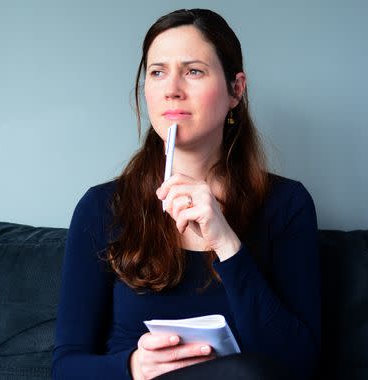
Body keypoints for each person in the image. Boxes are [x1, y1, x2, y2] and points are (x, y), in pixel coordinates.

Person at [52, 8, 320, 380]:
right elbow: (66, 367)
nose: (171, 89)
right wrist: (132, 367)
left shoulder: (286, 205)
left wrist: (227, 242)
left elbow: (299, 366)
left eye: (193, 71)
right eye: (157, 72)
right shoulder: (102, 208)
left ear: (235, 90)